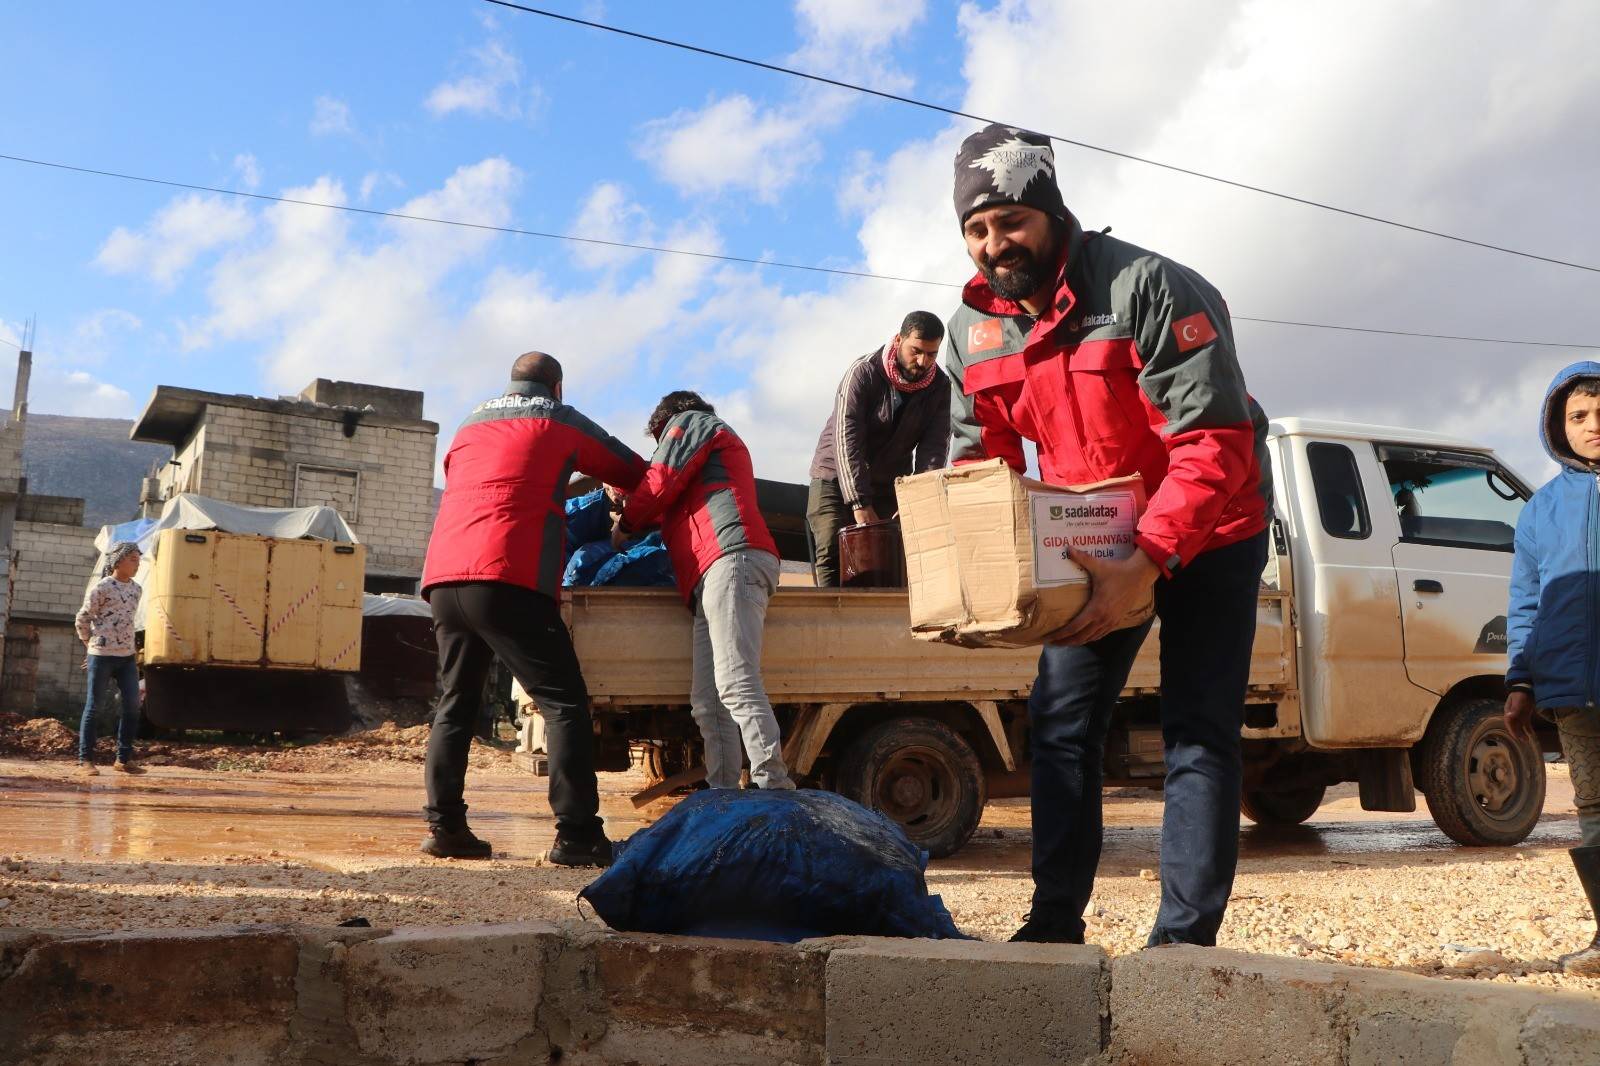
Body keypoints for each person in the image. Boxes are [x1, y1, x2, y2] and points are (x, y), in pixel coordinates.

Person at [943, 124, 1272, 946]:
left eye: (1011, 220)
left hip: (1212, 527)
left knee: (1197, 728)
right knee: (1060, 723)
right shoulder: (972, 331)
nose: (994, 244)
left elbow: (1214, 444)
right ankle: (1055, 922)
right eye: (976, 229)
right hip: (1092, 537)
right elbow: (979, 466)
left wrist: (1150, 561)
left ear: (1052, 210)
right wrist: (990, 575)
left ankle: (1182, 944)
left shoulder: (1148, 286)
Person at [421, 351, 646, 865]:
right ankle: (578, 836)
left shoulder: (469, 424)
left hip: (444, 578)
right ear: (557, 386)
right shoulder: (556, 417)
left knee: (455, 703)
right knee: (565, 704)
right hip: (507, 575)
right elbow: (630, 468)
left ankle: (446, 829)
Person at [614, 391, 796, 790]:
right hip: (713, 572)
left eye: (661, 440)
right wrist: (631, 502)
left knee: (735, 682)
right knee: (709, 701)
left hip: (732, 558)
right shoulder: (705, 452)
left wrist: (625, 524)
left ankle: (773, 785)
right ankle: (722, 795)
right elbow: (666, 498)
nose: (662, 449)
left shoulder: (694, 422)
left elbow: (660, 479)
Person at [1504, 361, 1600, 976]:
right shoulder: (1540, 511)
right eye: (1579, 416)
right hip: (1574, 686)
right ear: (1557, 427)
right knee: (1593, 807)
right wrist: (1519, 680)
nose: (1593, 425)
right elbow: (1526, 605)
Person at [806, 312, 952, 586]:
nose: (923, 361)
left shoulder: (941, 388)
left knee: (889, 561)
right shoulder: (862, 372)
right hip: (835, 478)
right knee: (831, 554)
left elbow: (933, 453)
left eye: (931, 354)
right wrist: (859, 502)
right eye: (916, 351)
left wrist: (917, 501)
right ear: (899, 340)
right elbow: (846, 439)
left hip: (888, 483)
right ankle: (831, 625)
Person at [74, 541, 145, 775]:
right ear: (117, 561)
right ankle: (85, 761)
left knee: (133, 705)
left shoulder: (136, 589)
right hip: (102, 655)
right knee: (94, 706)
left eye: (138, 559)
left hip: (126, 656)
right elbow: (83, 618)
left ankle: (123, 760)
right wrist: (89, 645)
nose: (137, 564)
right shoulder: (102, 587)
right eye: (133, 559)